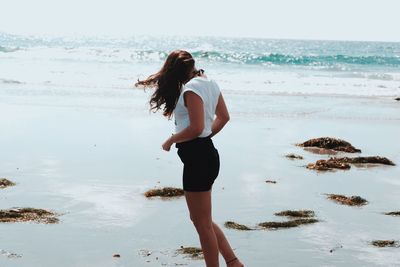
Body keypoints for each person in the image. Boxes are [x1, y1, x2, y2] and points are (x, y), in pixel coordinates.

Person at [135, 50, 244, 267]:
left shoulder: (191, 89)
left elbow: (195, 128)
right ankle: (233, 263)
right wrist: (205, 136)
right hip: (206, 155)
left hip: (198, 158)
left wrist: (172, 140)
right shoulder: (209, 82)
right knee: (203, 220)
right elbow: (223, 118)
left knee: (201, 224)